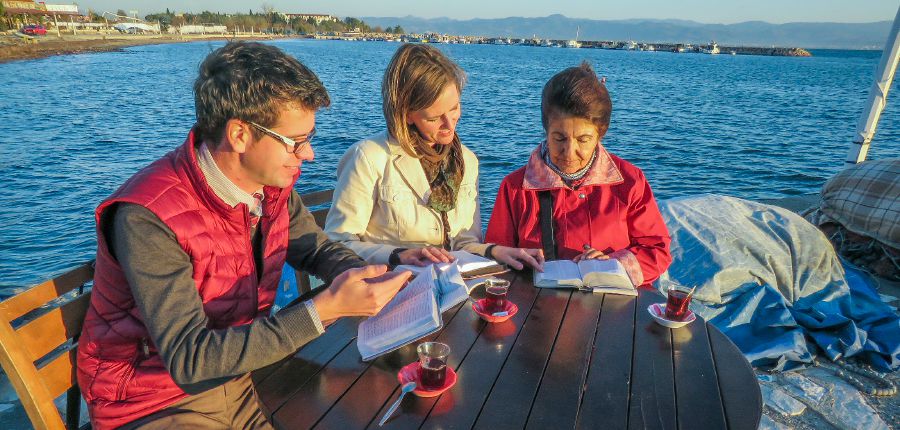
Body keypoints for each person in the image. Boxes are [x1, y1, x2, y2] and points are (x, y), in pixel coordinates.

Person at [76, 42, 411, 430]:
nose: (309, 154)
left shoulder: (270, 186)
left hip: (239, 378)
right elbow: (190, 359)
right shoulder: (148, 217)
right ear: (239, 134)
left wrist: (364, 276)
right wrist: (326, 309)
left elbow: (314, 248)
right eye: (295, 141)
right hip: (154, 403)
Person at [325, 43, 543, 270]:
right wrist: (398, 255)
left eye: (455, 108)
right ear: (406, 114)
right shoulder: (368, 158)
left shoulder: (466, 161)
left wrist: (494, 250)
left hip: (451, 291)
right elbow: (337, 244)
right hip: (390, 289)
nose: (450, 124)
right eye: (434, 118)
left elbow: (463, 243)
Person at [485, 62, 671, 288]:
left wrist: (613, 263)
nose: (569, 152)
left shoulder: (630, 182)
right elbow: (496, 259)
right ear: (546, 130)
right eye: (559, 138)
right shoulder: (515, 188)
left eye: (583, 140)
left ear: (600, 134)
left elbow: (657, 251)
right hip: (537, 310)